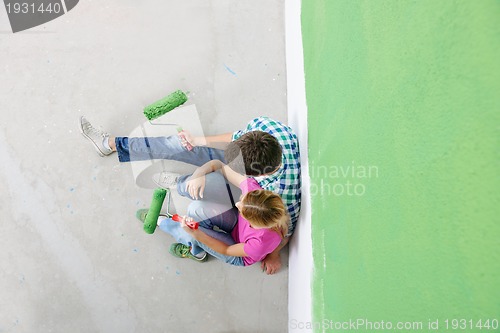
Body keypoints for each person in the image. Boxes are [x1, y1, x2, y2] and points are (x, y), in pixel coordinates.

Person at [79, 116, 301, 274]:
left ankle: (188, 241)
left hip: (242, 236)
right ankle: (112, 145)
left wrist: (273, 254)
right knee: (183, 146)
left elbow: (279, 233)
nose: (238, 201)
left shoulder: (278, 197)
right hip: (248, 190)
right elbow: (233, 143)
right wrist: (198, 143)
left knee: (193, 225)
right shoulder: (265, 128)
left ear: (254, 177)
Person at [138, 159, 289, 267]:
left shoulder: (260, 243)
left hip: (236, 248)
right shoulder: (256, 195)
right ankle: (180, 183)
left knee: (191, 233)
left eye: (242, 209)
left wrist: (197, 234)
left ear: (254, 224)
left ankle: (175, 232)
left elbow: (226, 250)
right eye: (242, 199)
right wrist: (199, 174)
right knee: (196, 207)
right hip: (236, 225)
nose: (237, 204)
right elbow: (219, 165)